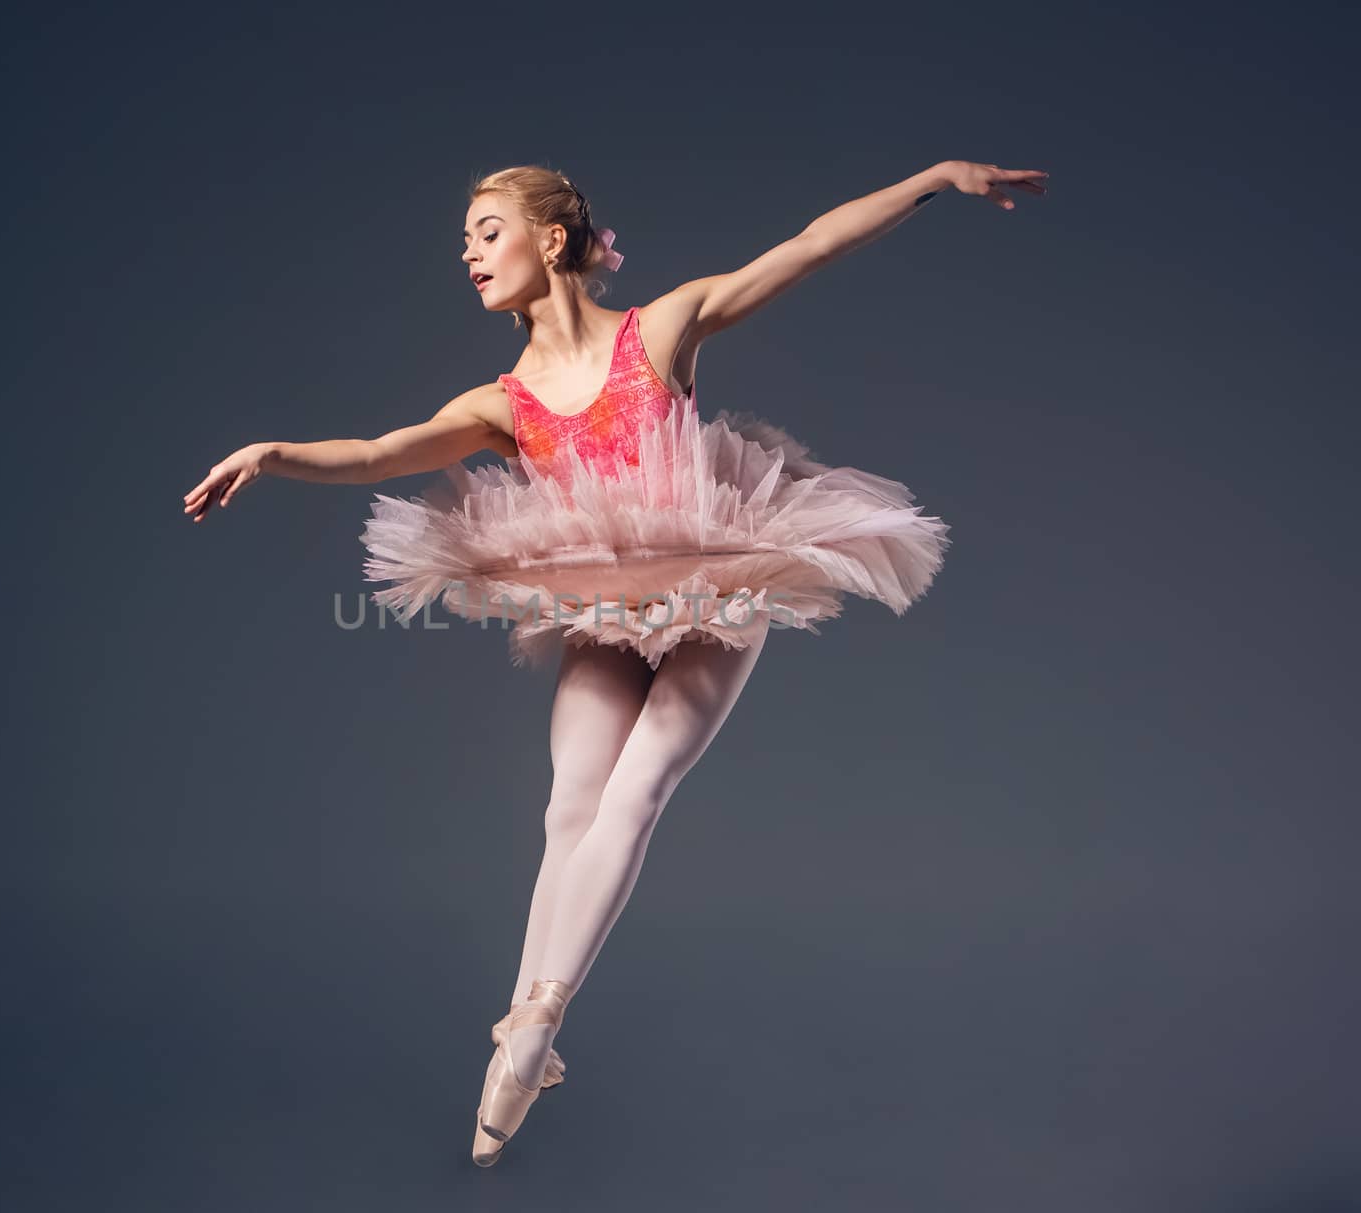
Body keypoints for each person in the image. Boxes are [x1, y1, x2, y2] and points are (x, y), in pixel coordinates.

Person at [181, 159, 1048, 1165]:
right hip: (596, 601)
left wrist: (932, 180)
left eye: (486, 230)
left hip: (713, 582)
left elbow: (809, 245)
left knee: (636, 790)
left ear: (552, 240)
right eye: (464, 239)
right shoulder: (503, 402)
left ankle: (536, 1023)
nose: (468, 254)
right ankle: (526, 1027)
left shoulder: (662, 330)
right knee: (569, 807)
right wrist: (274, 451)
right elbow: (382, 450)